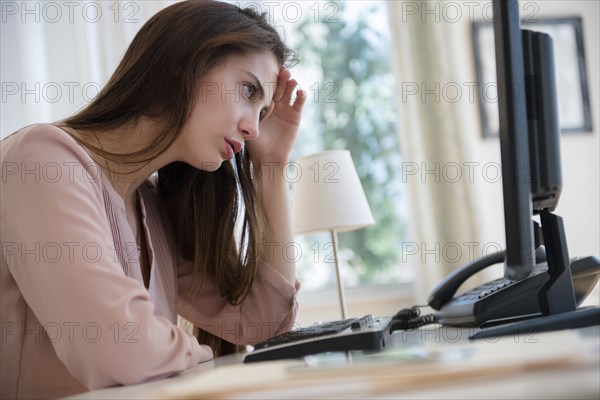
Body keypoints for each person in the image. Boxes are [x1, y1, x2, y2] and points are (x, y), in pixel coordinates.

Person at [0, 0, 305, 398]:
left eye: (262, 111)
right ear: (184, 68)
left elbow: (264, 320)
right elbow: (119, 351)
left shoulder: (151, 207)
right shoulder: (42, 160)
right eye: (248, 90)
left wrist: (271, 168)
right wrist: (219, 367)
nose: (252, 127)